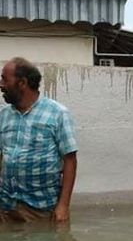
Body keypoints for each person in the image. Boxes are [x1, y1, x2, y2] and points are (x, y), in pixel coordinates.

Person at [0, 57, 78, 223]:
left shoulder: (58, 113)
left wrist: (64, 205)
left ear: (22, 83)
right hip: (6, 207)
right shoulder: (3, 116)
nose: (1, 84)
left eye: (5, 79)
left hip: (41, 209)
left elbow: (70, 160)